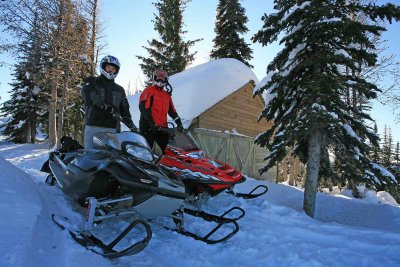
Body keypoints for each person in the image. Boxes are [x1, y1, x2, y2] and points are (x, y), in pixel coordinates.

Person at [81, 55, 137, 149]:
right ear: (103, 67)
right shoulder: (92, 82)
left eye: (113, 68)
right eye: (108, 67)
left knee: (113, 159)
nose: (110, 70)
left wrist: (132, 126)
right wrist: (106, 107)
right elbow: (90, 96)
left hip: (113, 129)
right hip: (94, 126)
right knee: (91, 156)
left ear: (116, 70)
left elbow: (125, 111)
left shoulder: (119, 89)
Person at [139, 69, 183, 153]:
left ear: (166, 80)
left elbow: (172, 111)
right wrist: (152, 123)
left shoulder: (166, 95)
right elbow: (143, 108)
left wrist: (179, 123)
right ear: (154, 78)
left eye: (163, 79)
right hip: (148, 127)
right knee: (146, 151)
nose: (160, 80)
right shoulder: (148, 90)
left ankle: (169, 165)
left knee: (167, 150)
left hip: (162, 128)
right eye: (158, 78)